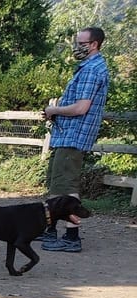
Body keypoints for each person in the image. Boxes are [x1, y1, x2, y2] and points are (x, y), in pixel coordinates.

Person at [40, 27, 110, 253]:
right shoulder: (89, 67)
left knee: (66, 186)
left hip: (74, 135)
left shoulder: (92, 70)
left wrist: (54, 109)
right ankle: (49, 230)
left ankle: (71, 236)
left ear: (94, 44)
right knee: (57, 184)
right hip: (68, 135)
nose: (76, 46)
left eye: (81, 43)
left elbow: (81, 108)